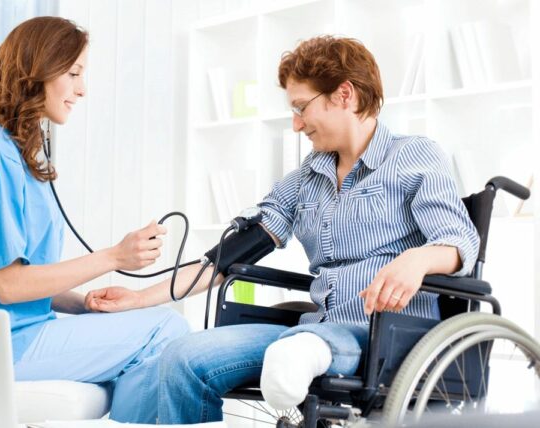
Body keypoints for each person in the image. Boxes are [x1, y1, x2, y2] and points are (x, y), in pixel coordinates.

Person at [84, 35, 480, 423]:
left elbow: (460, 242)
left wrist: (417, 260)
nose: (295, 124)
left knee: (300, 350)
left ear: (344, 94)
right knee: (183, 356)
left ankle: (299, 354)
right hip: (315, 328)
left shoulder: (413, 156)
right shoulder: (304, 179)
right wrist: (138, 299)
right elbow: (228, 258)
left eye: (302, 107)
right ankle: (297, 353)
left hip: (387, 332)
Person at [0, 16, 189, 423]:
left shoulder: (14, 156)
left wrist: (83, 304)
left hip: (12, 335)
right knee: (165, 330)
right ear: (39, 73)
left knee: (156, 327)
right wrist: (113, 257)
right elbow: (9, 286)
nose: (82, 89)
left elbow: (11, 280)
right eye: (73, 73)